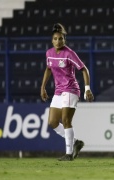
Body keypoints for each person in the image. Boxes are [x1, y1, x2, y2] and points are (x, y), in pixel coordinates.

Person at [40, 23, 94, 161]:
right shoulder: (49, 53)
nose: (58, 41)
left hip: (71, 89)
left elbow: (84, 69)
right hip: (58, 91)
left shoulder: (69, 54)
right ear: (52, 40)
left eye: (61, 39)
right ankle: (75, 142)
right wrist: (43, 87)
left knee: (65, 120)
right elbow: (48, 68)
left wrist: (87, 89)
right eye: (56, 38)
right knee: (52, 122)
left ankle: (69, 154)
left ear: (64, 40)